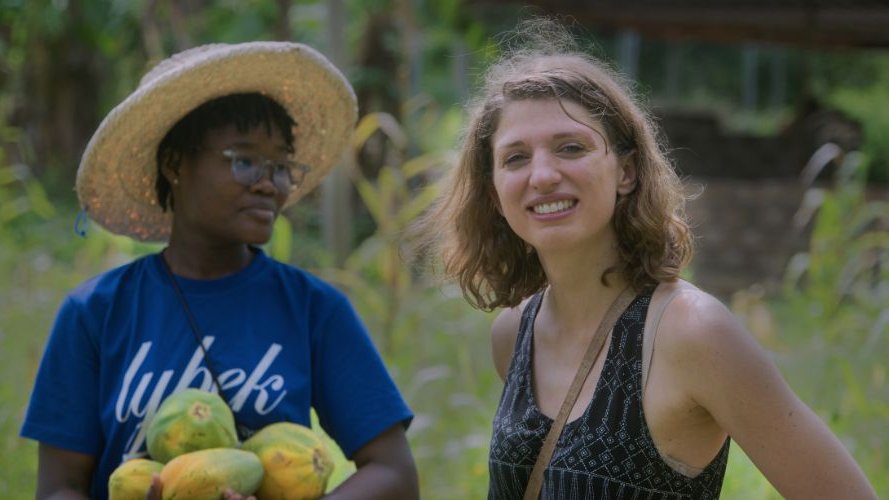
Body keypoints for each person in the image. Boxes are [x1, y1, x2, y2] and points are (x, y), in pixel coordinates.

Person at [412, 18, 877, 499]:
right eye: (515, 158)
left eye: (571, 147)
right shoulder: (514, 334)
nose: (543, 175)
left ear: (627, 172)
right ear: (493, 193)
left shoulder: (691, 333)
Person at [20, 41, 419, 500]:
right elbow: (57, 488)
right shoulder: (95, 313)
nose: (270, 183)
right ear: (174, 164)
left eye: (282, 166)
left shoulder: (313, 309)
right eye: (245, 161)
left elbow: (394, 474)